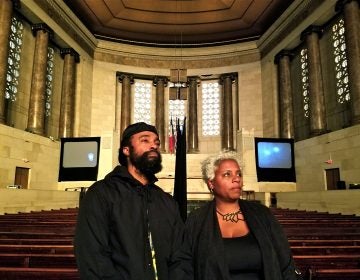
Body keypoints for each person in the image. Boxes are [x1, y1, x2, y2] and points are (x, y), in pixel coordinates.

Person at [74, 122, 184, 280]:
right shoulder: (101, 194)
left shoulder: (167, 201)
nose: (153, 145)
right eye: (145, 140)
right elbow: (93, 257)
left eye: (156, 142)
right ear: (126, 150)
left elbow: (180, 256)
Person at [171, 151, 300, 280]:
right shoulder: (197, 219)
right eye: (227, 174)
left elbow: (286, 263)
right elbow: (183, 265)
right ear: (211, 183)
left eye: (239, 174)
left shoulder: (262, 214)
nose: (237, 179)